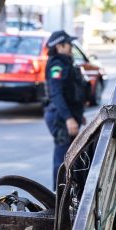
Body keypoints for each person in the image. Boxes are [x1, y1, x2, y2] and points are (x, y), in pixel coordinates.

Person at [43, 30, 87, 186]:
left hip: (68, 116)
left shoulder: (66, 62)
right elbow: (56, 94)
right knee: (63, 158)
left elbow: (72, 92)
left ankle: (68, 194)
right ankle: (57, 197)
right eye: (69, 44)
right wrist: (69, 118)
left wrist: (77, 115)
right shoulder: (57, 65)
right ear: (60, 46)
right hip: (60, 118)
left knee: (73, 156)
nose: (71, 47)